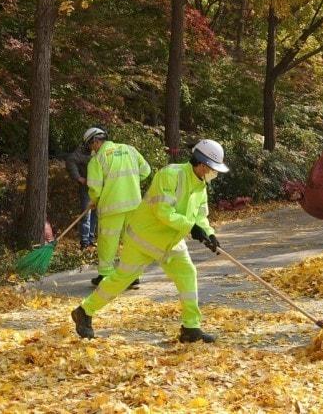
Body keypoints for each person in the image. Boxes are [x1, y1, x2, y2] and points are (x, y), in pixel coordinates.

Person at [72, 139, 228, 343]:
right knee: (121, 279)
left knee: (188, 273)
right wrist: (191, 227)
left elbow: (200, 216)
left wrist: (209, 233)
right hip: (143, 240)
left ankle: (191, 328)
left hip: (170, 241)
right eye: (212, 169)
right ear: (201, 164)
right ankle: (84, 311)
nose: (213, 174)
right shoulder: (170, 175)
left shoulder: (200, 185)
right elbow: (163, 212)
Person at [84, 127, 151, 286]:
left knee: (108, 241)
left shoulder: (98, 159)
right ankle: (133, 277)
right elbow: (146, 171)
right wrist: (130, 182)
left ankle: (105, 275)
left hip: (111, 207)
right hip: (134, 204)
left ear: (96, 141)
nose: (90, 149)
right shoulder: (130, 150)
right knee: (132, 241)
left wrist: (94, 200)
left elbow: (95, 187)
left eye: (90, 145)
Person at [65, 134, 98, 249]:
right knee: (86, 214)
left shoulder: (101, 151)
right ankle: (84, 241)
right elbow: (70, 160)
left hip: (98, 188)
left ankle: (91, 239)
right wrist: (78, 177)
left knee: (95, 214)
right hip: (86, 188)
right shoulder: (81, 151)